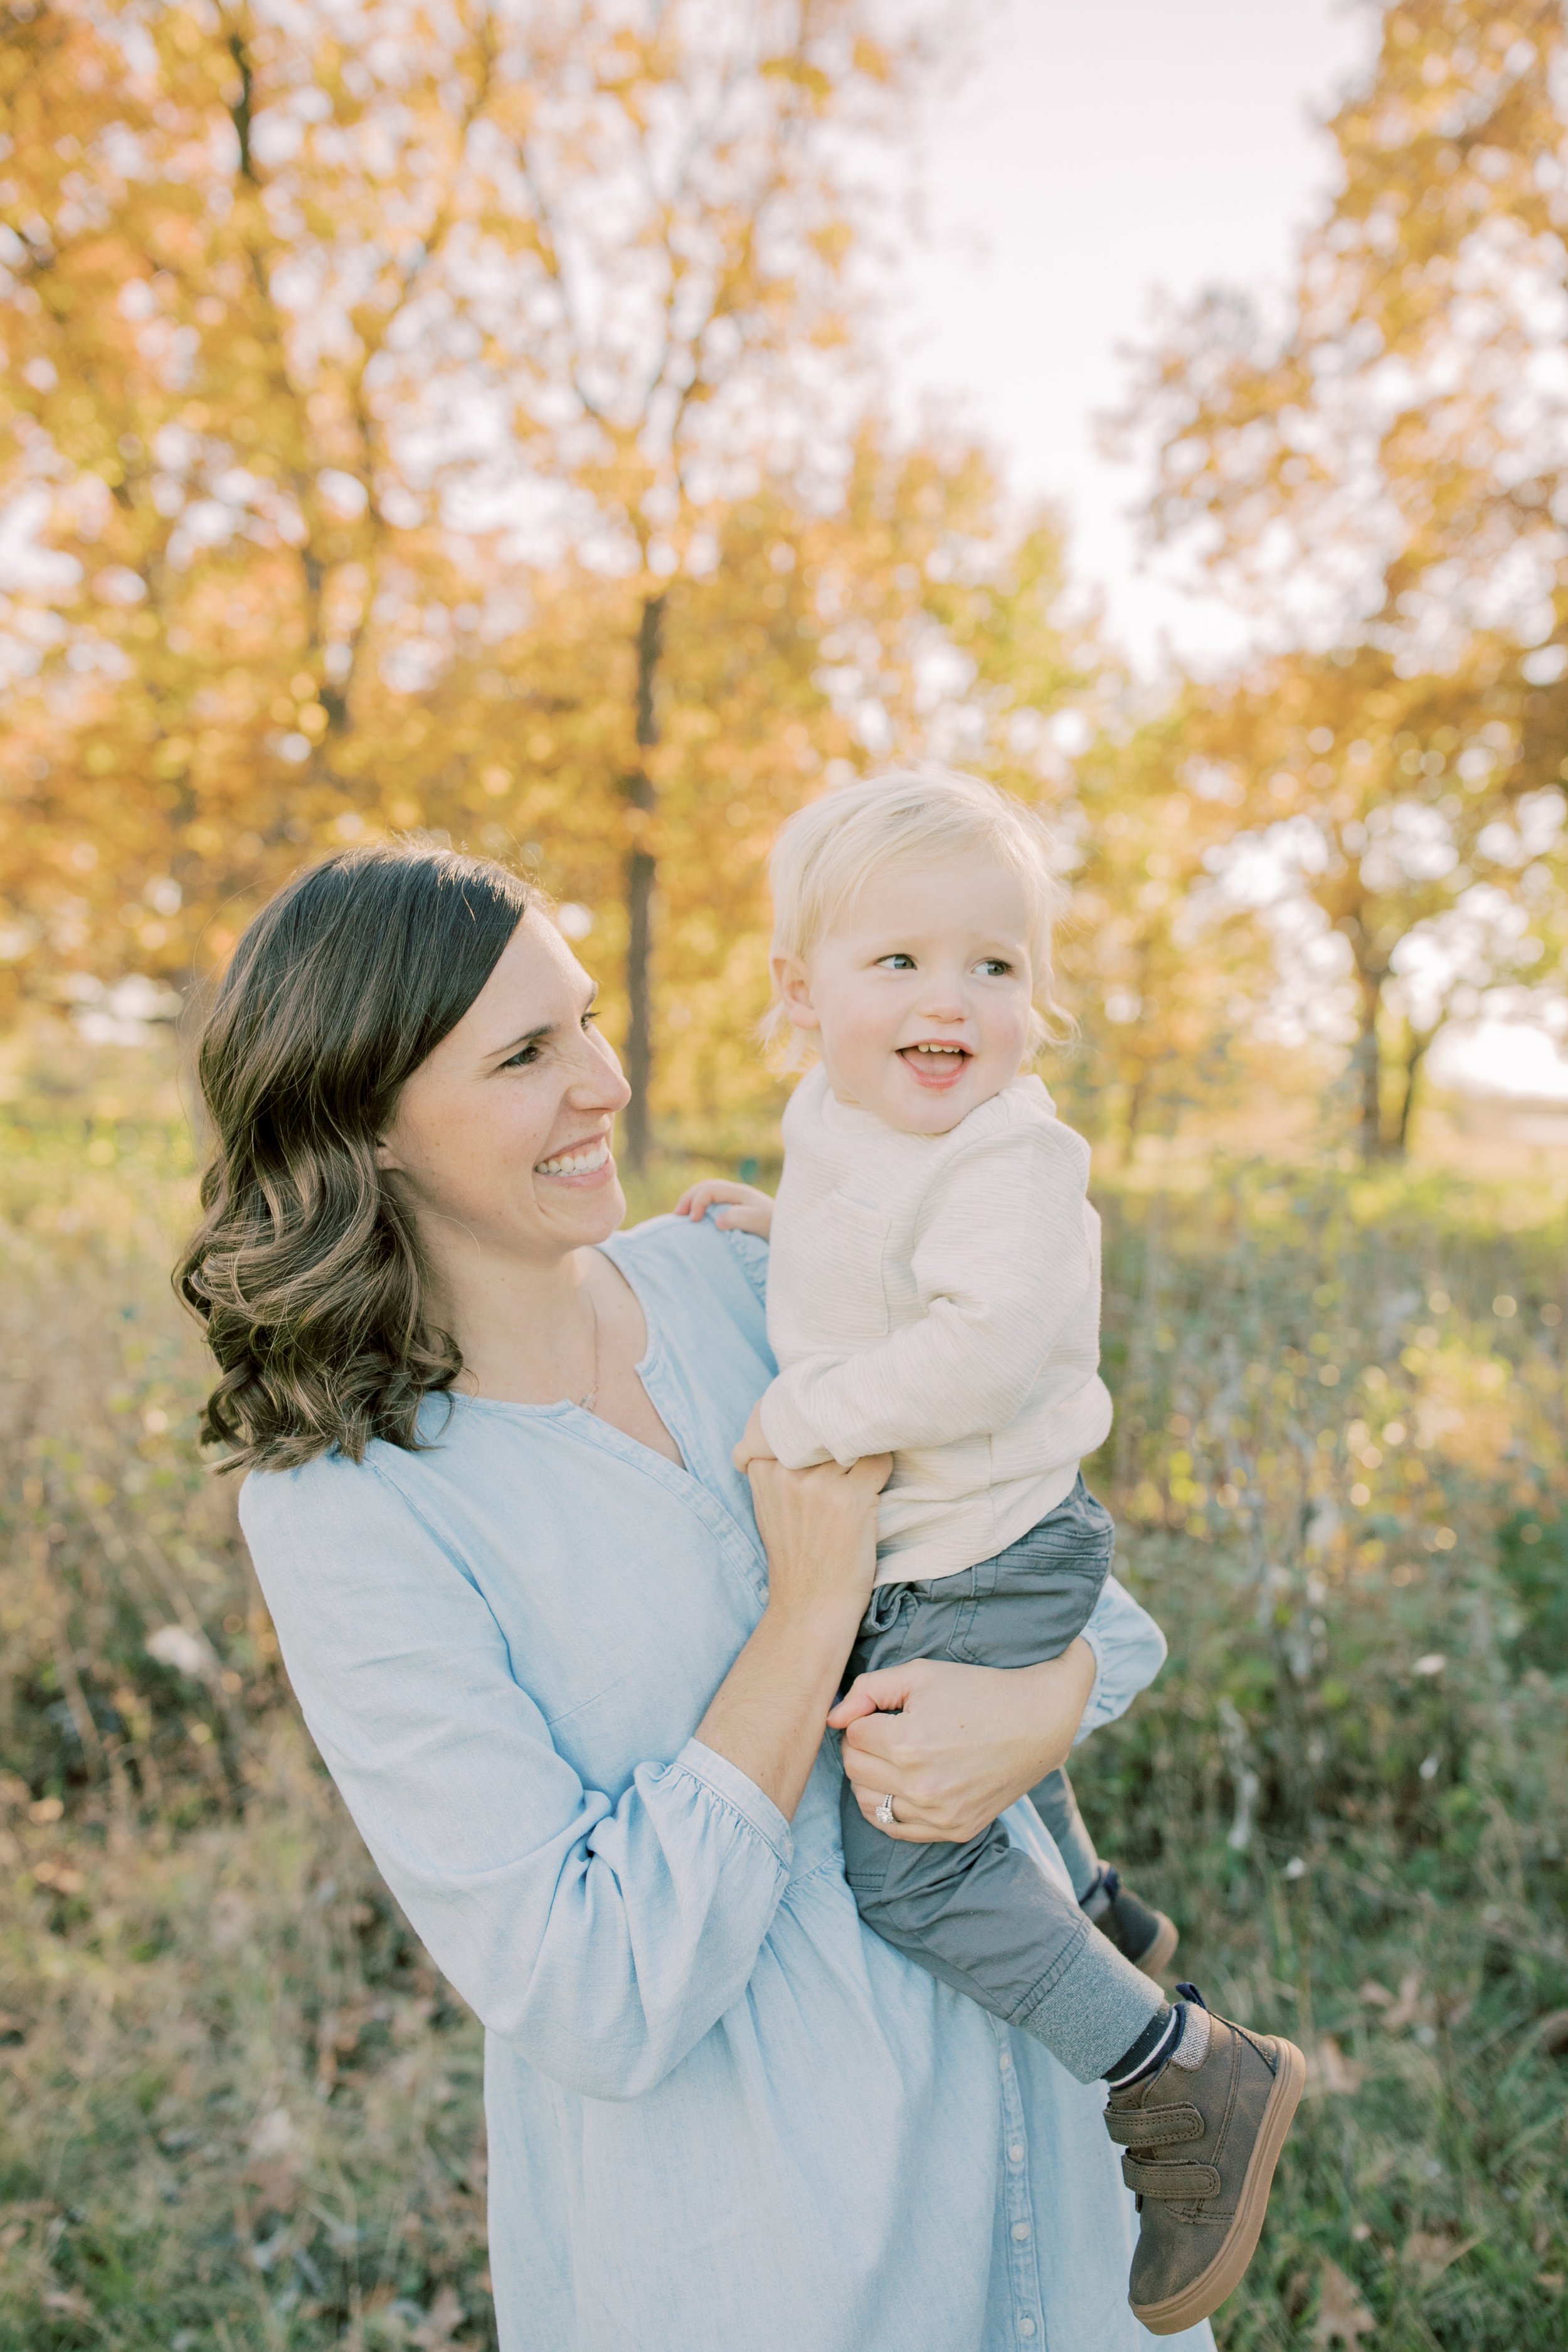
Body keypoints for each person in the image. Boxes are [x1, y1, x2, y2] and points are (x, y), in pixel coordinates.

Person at [177, 838, 1221, 2352]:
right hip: (775, 2245)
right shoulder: (353, 1506)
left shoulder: (742, 1282)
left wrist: (1037, 1707)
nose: (603, 1082)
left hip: (1052, 2146)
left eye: (587, 1021)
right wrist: (803, 1625)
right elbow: (585, 1990)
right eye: (526, 1054)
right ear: (371, 1122)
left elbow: (1074, 1589)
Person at [677, 769, 1303, 2336]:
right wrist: (784, 1235)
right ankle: (1093, 1906)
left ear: (1040, 1002)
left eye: (995, 967)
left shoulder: (1010, 1158)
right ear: (798, 992)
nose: (945, 998)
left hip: (993, 1550)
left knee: (905, 1860)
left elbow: (977, 1346)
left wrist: (811, 1404)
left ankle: (1177, 2077)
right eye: (896, 963)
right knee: (964, 1768)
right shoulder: (851, 1113)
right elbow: (881, 1250)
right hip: (956, 1548)